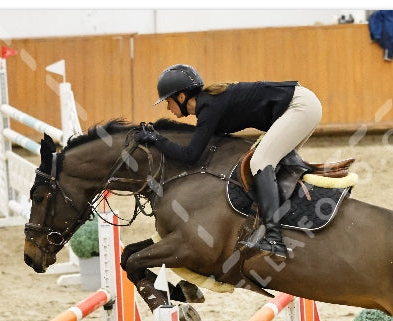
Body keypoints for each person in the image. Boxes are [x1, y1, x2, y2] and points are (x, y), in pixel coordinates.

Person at [135, 64, 323, 260]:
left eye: (168, 101)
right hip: (302, 105)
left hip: (299, 107)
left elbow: (191, 155)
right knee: (271, 163)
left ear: (181, 97)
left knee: (260, 163)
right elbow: (198, 143)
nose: (167, 108)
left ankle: (274, 239)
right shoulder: (209, 106)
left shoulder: (209, 106)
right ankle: (287, 224)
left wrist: (157, 139)